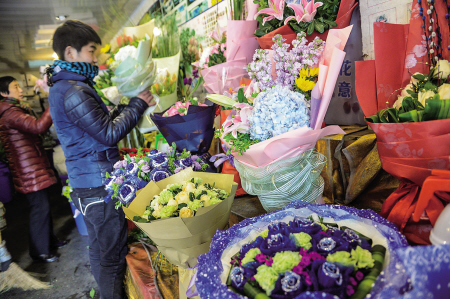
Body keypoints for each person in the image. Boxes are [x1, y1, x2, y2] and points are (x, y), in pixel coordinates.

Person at [47, 20, 155, 299]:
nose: (95, 58)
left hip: (87, 183)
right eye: (91, 51)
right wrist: (138, 103)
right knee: (111, 256)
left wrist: (126, 105)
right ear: (71, 53)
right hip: (98, 184)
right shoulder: (73, 90)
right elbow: (109, 133)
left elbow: (98, 125)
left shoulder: (67, 85)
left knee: (99, 250)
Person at [0, 76, 68, 263]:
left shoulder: (14, 109)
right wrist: (53, 102)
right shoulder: (9, 113)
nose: (20, 89)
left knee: (44, 206)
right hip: (28, 170)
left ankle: (49, 242)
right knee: (40, 208)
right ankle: (39, 251)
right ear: (3, 93)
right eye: (15, 87)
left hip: (32, 167)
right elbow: (37, 127)